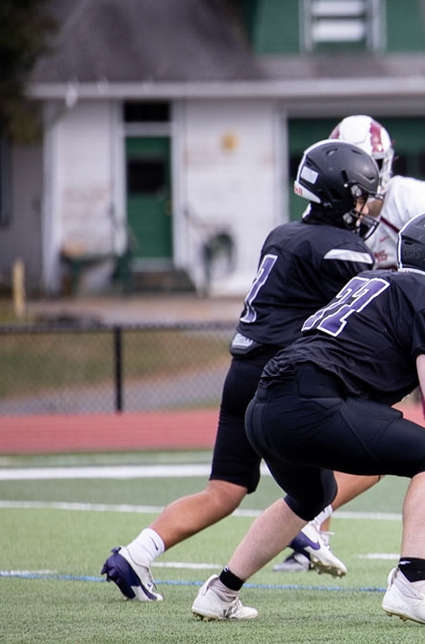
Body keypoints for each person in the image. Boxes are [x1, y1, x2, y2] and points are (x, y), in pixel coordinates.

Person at [189, 210, 425, 625]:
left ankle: (221, 591)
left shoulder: (373, 280)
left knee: (311, 495)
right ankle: (413, 585)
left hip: (263, 406)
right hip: (310, 403)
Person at [99, 139, 383, 600]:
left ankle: (135, 555)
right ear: (338, 195)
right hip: (283, 378)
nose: (364, 207)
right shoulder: (343, 248)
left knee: (224, 491)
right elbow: (356, 318)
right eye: (358, 196)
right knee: (357, 463)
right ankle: (300, 529)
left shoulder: (282, 235)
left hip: (242, 372)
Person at [292, 115, 425, 571]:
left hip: (420, 320)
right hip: (374, 330)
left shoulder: (414, 199)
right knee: (348, 418)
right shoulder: (335, 218)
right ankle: (315, 528)